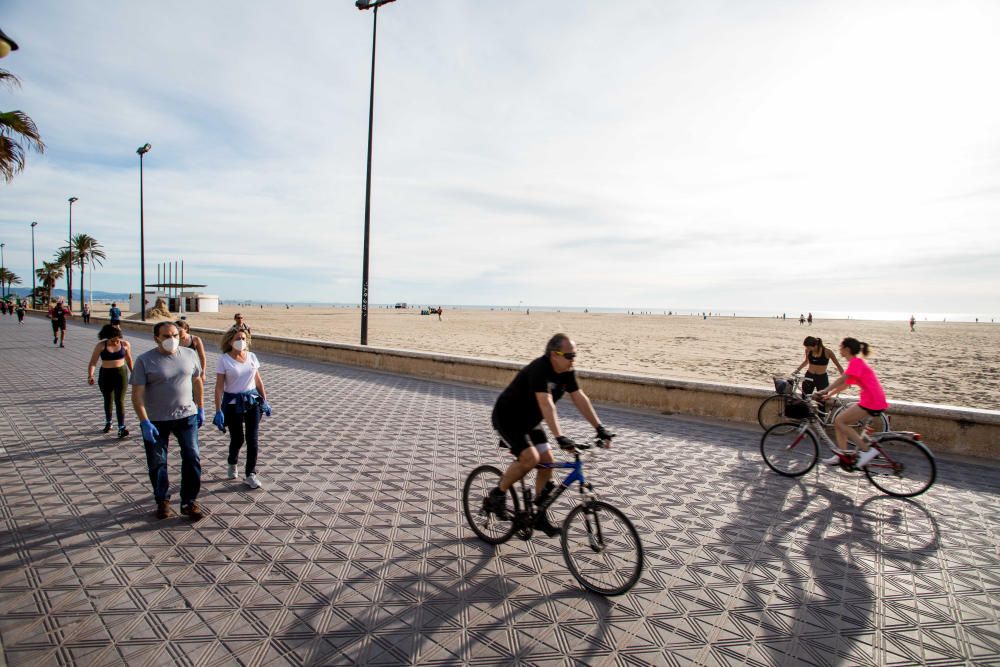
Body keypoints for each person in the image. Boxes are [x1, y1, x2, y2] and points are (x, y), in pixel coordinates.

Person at [487, 333, 614, 537]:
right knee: (530, 458)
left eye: (574, 355)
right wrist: (560, 437)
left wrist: (599, 428)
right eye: (569, 355)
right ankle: (498, 493)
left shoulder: (567, 372)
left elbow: (580, 398)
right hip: (508, 417)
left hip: (530, 422)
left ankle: (538, 515)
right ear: (554, 354)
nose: (573, 359)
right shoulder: (540, 369)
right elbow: (546, 403)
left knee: (547, 464)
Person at [130, 322, 206, 520]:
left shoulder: (190, 355)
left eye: (175, 335)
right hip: (156, 420)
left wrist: (201, 407)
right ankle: (162, 500)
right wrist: (144, 421)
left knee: (192, 457)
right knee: (157, 462)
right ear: (156, 338)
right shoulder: (144, 360)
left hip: (187, 416)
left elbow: (197, 380)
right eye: (166, 336)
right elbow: (137, 394)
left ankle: (189, 501)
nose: (171, 339)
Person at [213, 328, 272, 489]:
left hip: (252, 403)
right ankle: (232, 462)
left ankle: (250, 474)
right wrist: (218, 410)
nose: (241, 341)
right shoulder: (224, 360)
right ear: (230, 341)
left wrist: (265, 401)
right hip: (233, 405)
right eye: (238, 338)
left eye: (244, 338)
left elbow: (258, 381)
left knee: (253, 439)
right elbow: (219, 387)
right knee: (238, 438)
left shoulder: (252, 357)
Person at [815, 337, 888, 467]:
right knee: (839, 422)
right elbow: (846, 383)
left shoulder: (856, 363)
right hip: (872, 399)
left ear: (847, 349)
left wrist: (825, 390)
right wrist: (829, 395)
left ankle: (866, 450)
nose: (839, 349)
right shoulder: (856, 363)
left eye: (841, 347)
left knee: (840, 421)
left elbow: (843, 379)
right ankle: (842, 455)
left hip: (872, 400)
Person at [87, 324, 134, 438]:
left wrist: (134, 372)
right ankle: (108, 422)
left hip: (121, 374)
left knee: (120, 401)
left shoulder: (125, 344)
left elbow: (128, 359)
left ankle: (121, 428)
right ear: (107, 336)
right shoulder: (101, 345)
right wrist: (90, 375)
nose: (115, 339)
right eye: (112, 337)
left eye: (117, 336)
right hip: (106, 375)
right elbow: (93, 362)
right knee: (108, 399)